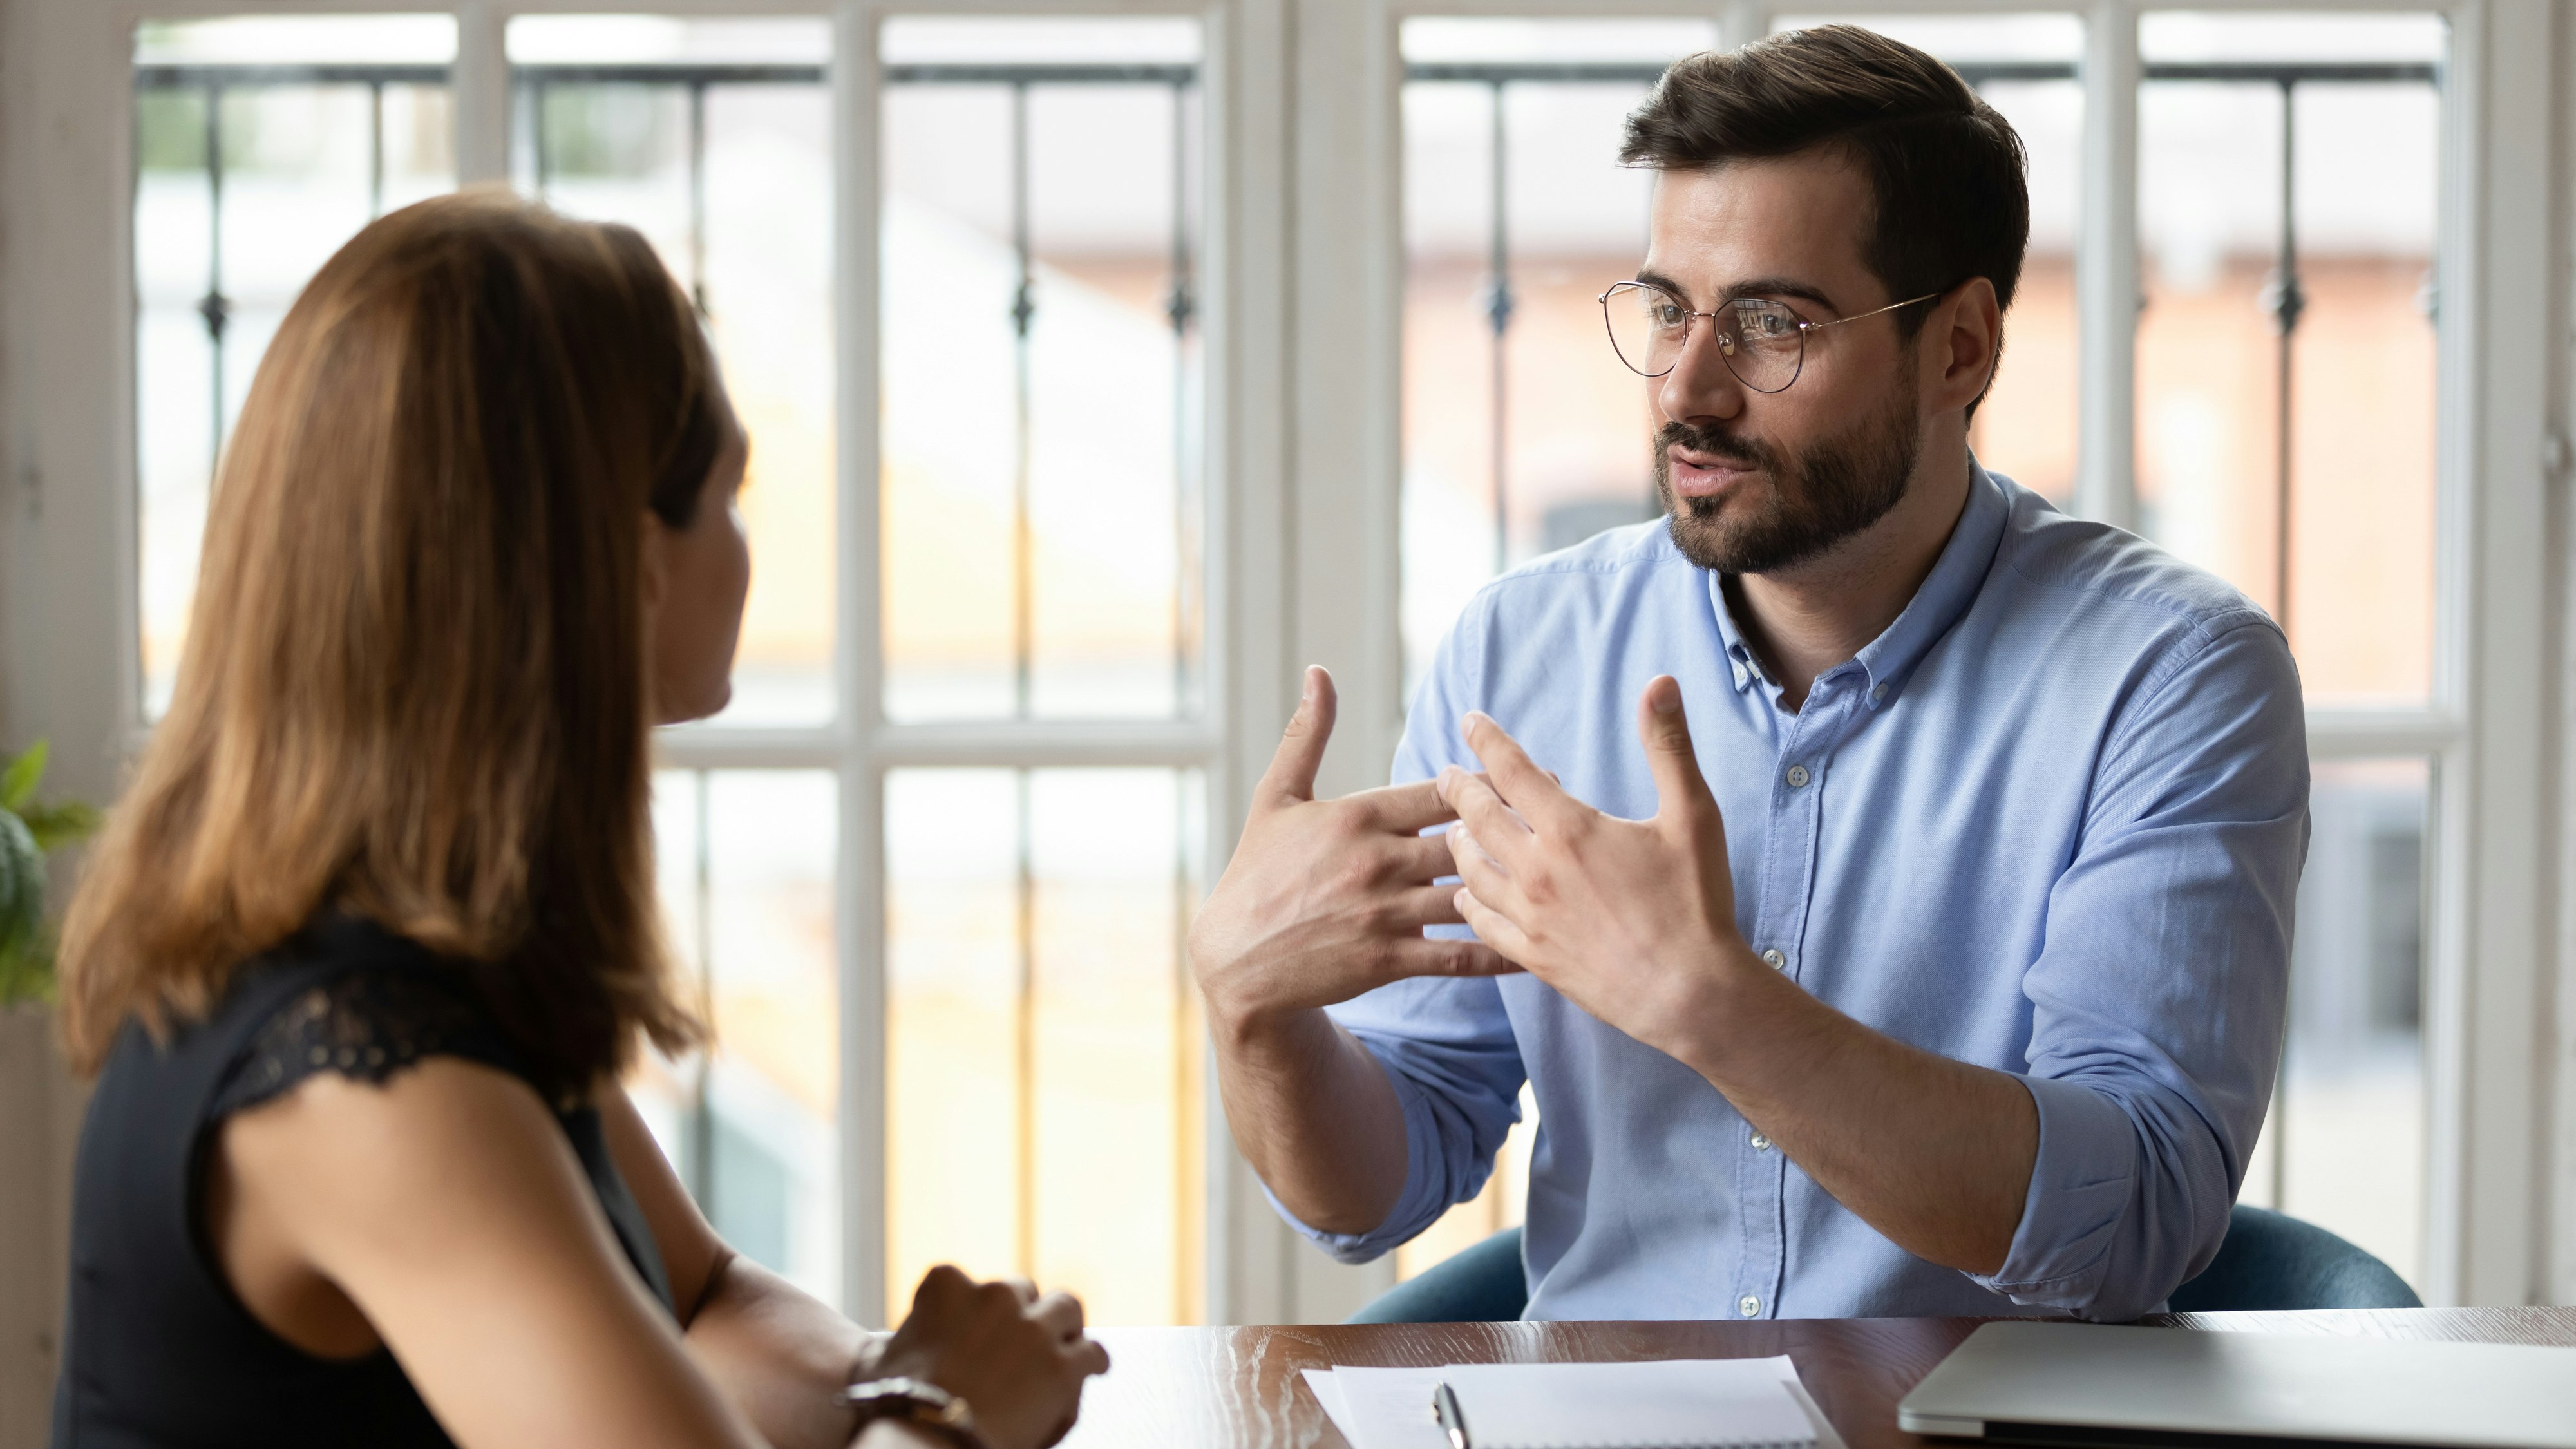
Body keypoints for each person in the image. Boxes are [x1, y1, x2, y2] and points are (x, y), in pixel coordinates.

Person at [1190, 25, 2306, 1323]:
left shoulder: (2171, 678)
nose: (1687, 387)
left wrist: (1708, 1005)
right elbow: (1387, 1178)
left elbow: (2136, 1221)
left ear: (1958, 349)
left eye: (1772, 323)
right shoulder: (1519, 652)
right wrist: (1251, 1013)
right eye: (1667, 308)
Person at [50, 193, 1107, 1449]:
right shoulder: (366, 1079)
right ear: (623, 562)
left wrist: (891, 1373)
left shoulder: (435, 947)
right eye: (728, 493)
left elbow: (700, 1302)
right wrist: (952, 1414)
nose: (747, 546)